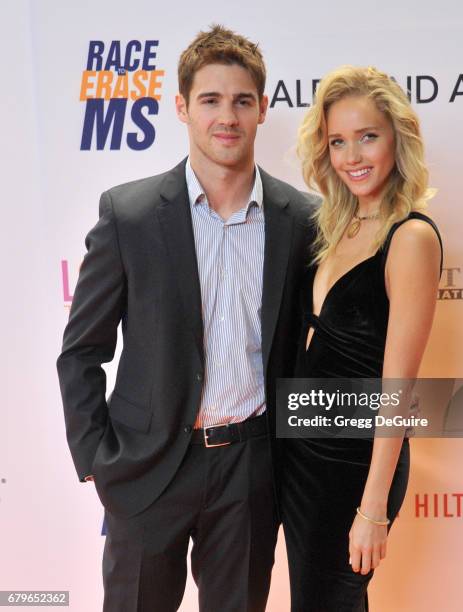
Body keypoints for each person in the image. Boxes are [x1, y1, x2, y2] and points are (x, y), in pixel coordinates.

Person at [57, 25, 314, 612]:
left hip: (249, 469)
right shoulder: (130, 214)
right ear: (182, 107)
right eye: (211, 100)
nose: (228, 116)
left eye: (242, 101)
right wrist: (98, 457)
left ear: (262, 109)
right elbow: (81, 351)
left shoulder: (300, 219)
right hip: (147, 470)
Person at [281, 66, 443, 611]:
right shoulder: (335, 227)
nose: (353, 155)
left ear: (398, 137)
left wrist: (372, 508)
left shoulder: (411, 237)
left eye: (368, 136)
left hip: (355, 466)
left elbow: (397, 387)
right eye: (338, 141)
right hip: (302, 456)